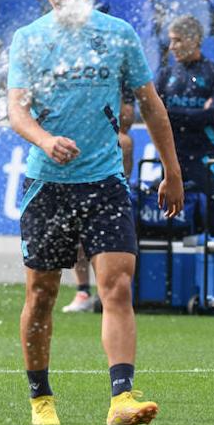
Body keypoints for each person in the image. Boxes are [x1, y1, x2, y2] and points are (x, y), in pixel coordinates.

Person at [6, 0, 184, 425]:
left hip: (103, 180)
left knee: (117, 287)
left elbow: (150, 106)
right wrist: (44, 140)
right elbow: (16, 110)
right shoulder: (29, 39)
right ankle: (41, 398)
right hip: (46, 183)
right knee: (42, 294)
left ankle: (122, 397)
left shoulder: (118, 35)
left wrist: (172, 172)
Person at [156, 15, 214, 237]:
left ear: (195, 39)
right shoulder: (165, 75)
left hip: (207, 158)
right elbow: (155, 116)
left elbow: (212, 115)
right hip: (173, 159)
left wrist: (172, 114)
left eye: (177, 40)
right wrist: (195, 115)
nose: (171, 47)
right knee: (171, 226)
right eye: (170, 40)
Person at [62, 90, 134, 314]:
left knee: (104, 245)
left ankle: (106, 293)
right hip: (77, 184)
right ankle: (83, 291)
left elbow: (127, 117)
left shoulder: (123, 141)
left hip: (108, 194)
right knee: (77, 240)